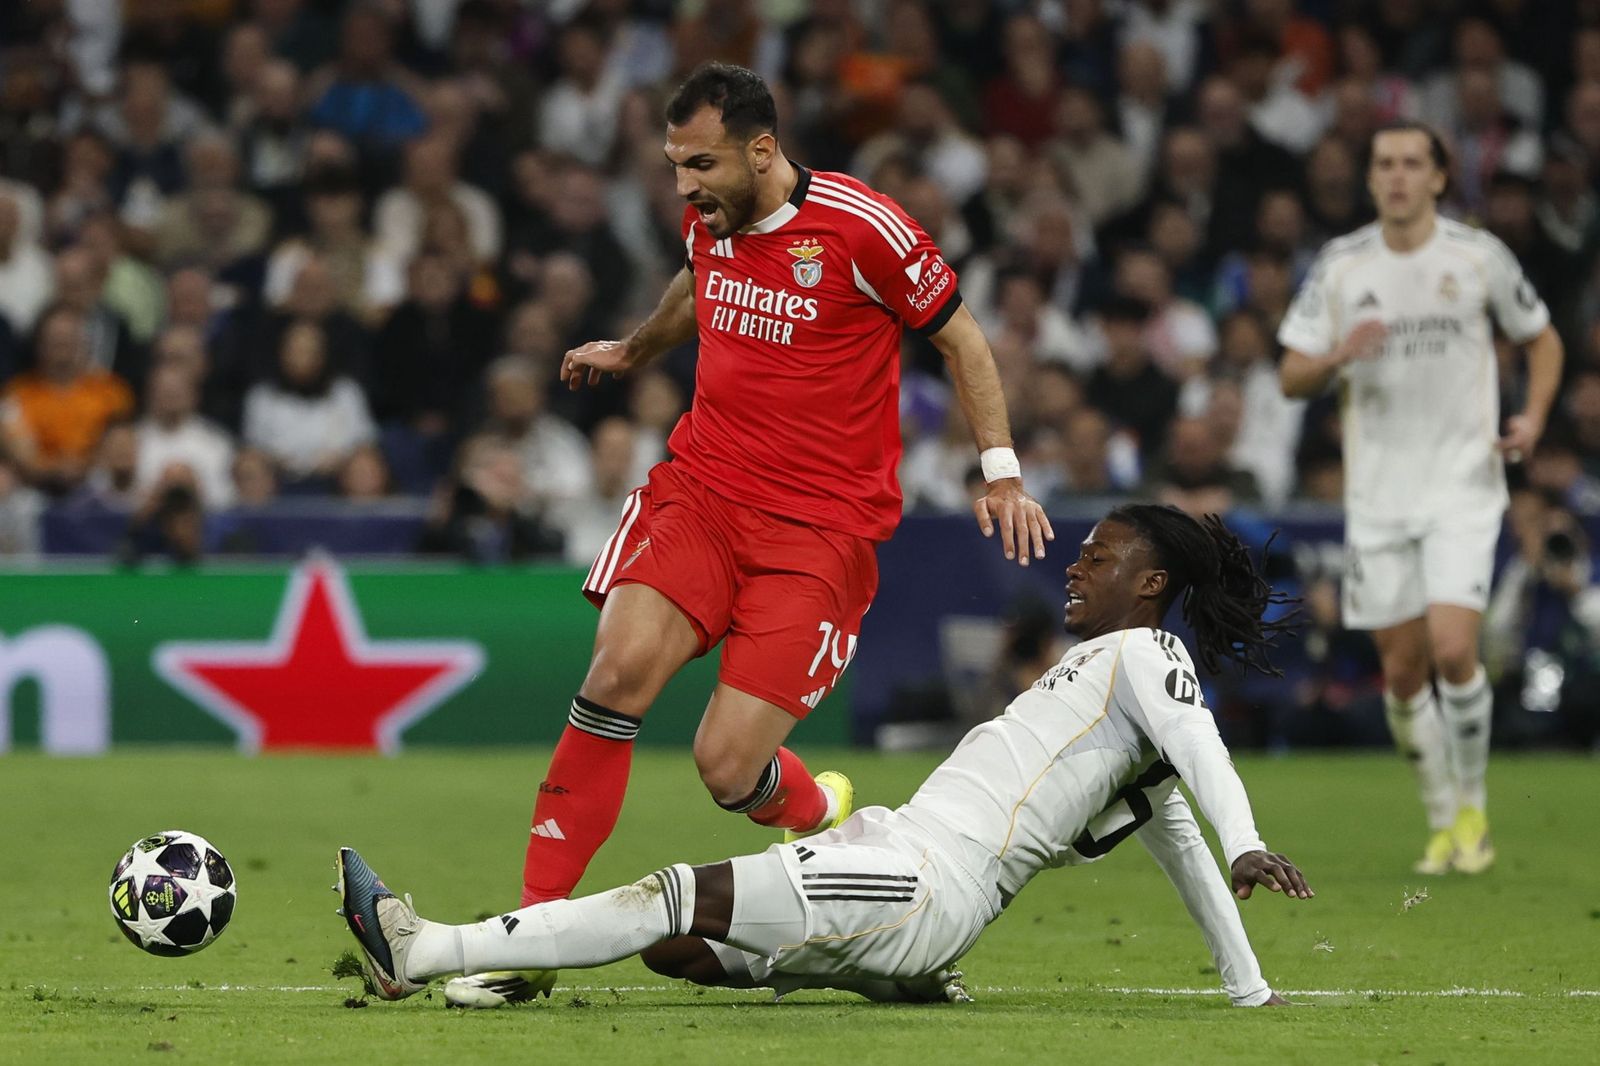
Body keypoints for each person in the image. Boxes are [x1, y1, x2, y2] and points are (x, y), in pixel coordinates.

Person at [457, 63, 1050, 1007]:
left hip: (820, 533)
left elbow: (963, 339)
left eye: (700, 164)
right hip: (702, 493)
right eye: (673, 166)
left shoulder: (866, 231)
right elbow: (697, 286)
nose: (683, 187)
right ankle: (529, 936)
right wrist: (634, 349)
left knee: (725, 767)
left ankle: (817, 809)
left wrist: (1003, 469)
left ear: (762, 151)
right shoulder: (712, 219)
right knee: (614, 677)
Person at [337, 505, 1309, 1008]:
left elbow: (1199, 755)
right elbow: (1174, 827)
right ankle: (902, 978)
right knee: (679, 950)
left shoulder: (1147, 654)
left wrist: (1247, 843)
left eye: (1096, 557)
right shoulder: (1107, 681)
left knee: (670, 897)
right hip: (905, 864)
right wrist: (1247, 985)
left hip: (921, 880)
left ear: (1149, 584)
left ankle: (426, 947)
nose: (1072, 563)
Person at [1278, 121, 1565, 875]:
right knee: (1402, 672)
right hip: (1377, 500)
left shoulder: (1476, 258)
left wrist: (1531, 418)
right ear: (1371, 180)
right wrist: (1341, 353)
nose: (1398, 176)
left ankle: (1471, 810)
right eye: (1385, 164)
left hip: (1464, 485)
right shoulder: (1342, 267)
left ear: (1439, 178)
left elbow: (1542, 337)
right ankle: (1440, 819)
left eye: (1412, 163)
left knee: (1452, 648)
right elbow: (1289, 373)